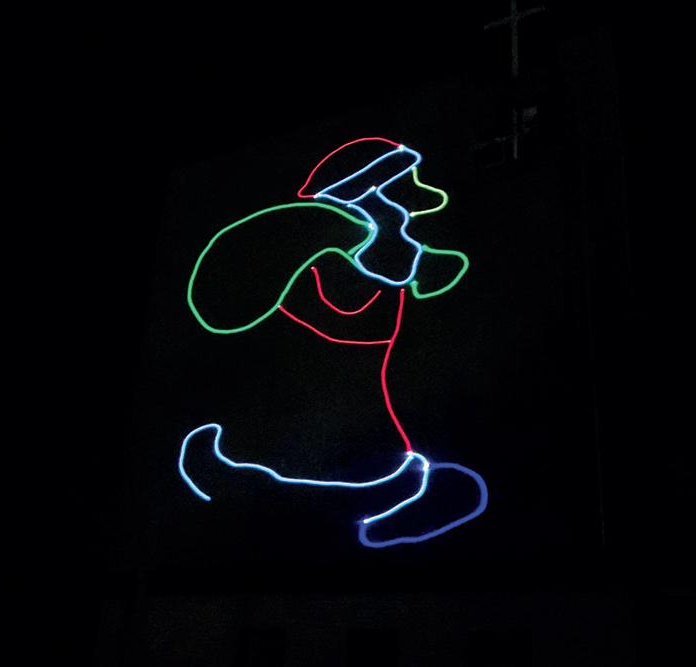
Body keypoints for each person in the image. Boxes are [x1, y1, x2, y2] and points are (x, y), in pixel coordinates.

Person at [179, 137, 488, 548]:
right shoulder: (317, 258)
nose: (422, 203)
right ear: (370, 195)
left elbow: (407, 277)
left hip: (357, 443)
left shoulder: (387, 261)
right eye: (404, 188)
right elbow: (340, 310)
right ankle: (350, 497)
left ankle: (375, 495)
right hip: (296, 433)